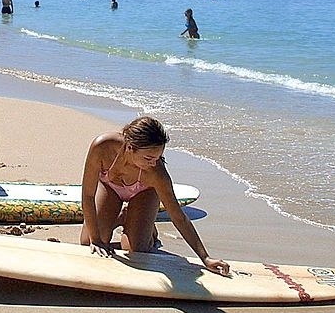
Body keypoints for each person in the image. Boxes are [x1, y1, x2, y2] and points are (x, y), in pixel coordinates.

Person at [80, 116, 230, 275]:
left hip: (144, 192)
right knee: (88, 243)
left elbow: (178, 216)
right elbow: (88, 195)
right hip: (111, 188)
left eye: (158, 157)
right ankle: (125, 217)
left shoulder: (157, 173)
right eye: (149, 158)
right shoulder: (102, 146)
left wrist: (205, 258)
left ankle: (147, 229)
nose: (154, 163)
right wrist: (96, 239)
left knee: (136, 252)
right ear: (130, 147)